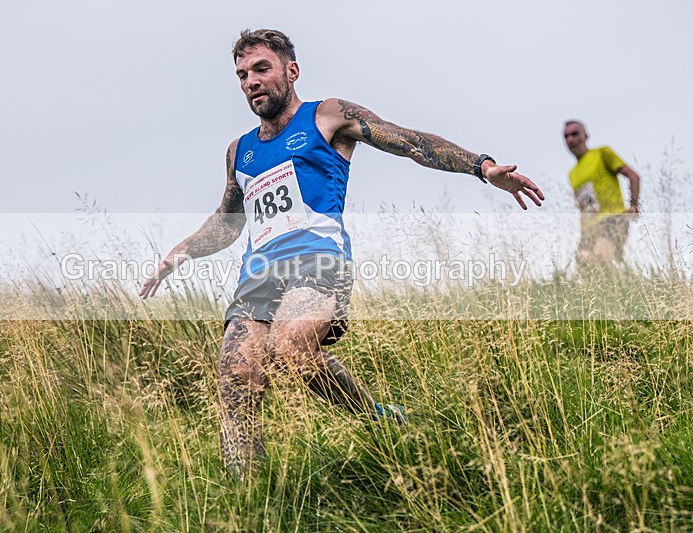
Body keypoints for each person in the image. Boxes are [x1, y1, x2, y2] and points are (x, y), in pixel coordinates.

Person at [139, 29, 544, 480]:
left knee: (290, 348)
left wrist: (482, 167)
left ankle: (374, 416)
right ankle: (247, 498)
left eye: (261, 69)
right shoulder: (240, 151)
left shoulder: (328, 117)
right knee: (236, 377)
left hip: (317, 262)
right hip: (257, 275)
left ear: (291, 71)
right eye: (241, 75)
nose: (250, 81)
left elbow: (409, 141)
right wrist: (184, 250)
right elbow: (228, 220)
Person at [563, 120, 641, 265]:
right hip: (590, 228)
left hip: (612, 219)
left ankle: (629, 283)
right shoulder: (572, 174)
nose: (571, 139)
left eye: (575, 134)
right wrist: (583, 232)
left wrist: (634, 205)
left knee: (601, 258)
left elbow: (633, 176)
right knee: (584, 264)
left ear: (585, 136)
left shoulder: (602, 153)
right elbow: (582, 207)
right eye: (566, 136)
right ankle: (629, 282)